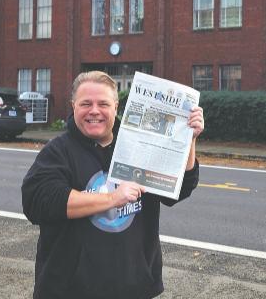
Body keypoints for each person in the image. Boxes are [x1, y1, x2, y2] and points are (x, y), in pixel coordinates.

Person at [21, 71, 204, 298]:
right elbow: (39, 202)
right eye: (86, 103)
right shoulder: (58, 151)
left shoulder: (138, 147)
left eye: (103, 104)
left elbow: (178, 190)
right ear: (73, 106)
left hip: (134, 288)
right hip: (70, 290)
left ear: (116, 107)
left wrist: (189, 140)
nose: (94, 110)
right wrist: (111, 199)